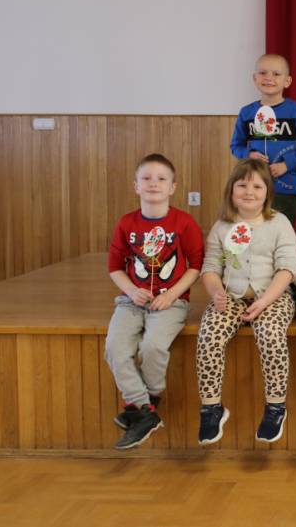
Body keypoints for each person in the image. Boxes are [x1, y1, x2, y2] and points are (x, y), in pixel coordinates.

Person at [196, 159, 296, 445]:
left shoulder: (279, 223)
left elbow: (287, 268)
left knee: (270, 335)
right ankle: (211, 408)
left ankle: (275, 407)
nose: (249, 192)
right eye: (242, 185)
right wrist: (216, 292)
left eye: (257, 186)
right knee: (208, 335)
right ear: (231, 190)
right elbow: (210, 267)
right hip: (231, 297)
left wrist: (265, 301)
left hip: (272, 297)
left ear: (268, 192)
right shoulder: (222, 226)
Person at [105, 153, 204, 449]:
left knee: (153, 346)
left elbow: (196, 265)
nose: (153, 183)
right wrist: (131, 291)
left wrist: (172, 294)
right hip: (131, 301)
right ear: (136, 185)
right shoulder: (126, 223)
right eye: (146, 178)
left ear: (172, 187)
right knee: (115, 349)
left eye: (161, 179)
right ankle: (145, 409)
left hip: (171, 302)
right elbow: (115, 267)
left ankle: (147, 401)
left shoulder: (184, 223)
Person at [230, 53, 296, 225]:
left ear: (287, 81)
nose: (269, 78)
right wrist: (249, 155)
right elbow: (235, 145)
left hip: (285, 187)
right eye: (263, 73)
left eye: (276, 74)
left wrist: (287, 164)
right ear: (255, 78)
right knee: (253, 228)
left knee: (282, 229)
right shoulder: (247, 112)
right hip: (253, 186)